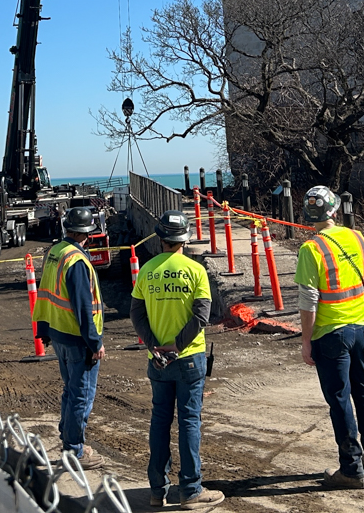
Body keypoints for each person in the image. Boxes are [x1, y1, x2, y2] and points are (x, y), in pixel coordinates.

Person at [131, 211, 224, 509]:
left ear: (160, 239)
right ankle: (190, 489)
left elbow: (137, 313)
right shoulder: (195, 271)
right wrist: (177, 347)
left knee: (159, 421)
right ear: (184, 238)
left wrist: (155, 345)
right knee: (188, 421)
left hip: (157, 361)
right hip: (188, 359)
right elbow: (202, 316)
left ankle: (157, 490)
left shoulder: (147, 270)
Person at [295, 185, 364, 489]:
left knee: (339, 400)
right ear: (334, 210)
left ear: (307, 215)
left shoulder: (311, 249)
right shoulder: (357, 237)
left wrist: (306, 340)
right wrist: (363, 315)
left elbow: (308, 300)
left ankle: (351, 469)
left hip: (330, 335)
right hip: (361, 327)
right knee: (363, 389)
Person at [32, 206, 106, 465]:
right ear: (87, 233)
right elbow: (83, 306)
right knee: (81, 395)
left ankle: (68, 439)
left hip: (58, 332)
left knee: (71, 391)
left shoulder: (55, 252)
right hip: (77, 339)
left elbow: (46, 291)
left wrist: (44, 330)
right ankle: (74, 450)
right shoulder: (76, 261)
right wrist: (95, 342)